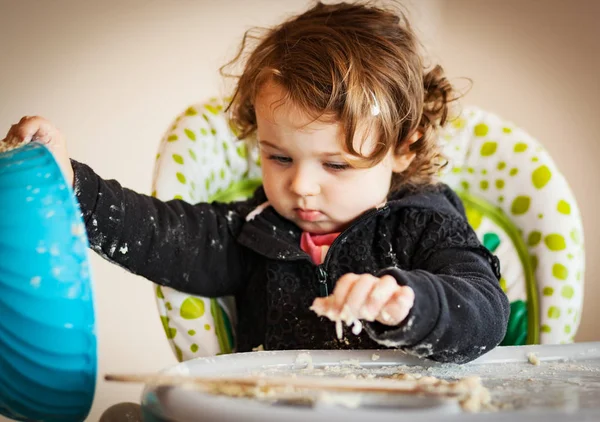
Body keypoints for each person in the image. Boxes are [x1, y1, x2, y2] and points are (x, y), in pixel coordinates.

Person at [2, 1, 508, 366]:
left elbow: (484, 310)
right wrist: (66, 182)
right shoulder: (253, 230)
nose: (302, 187)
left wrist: (410, 302)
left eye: (336, 165)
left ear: (405, 148)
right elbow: (157, 233)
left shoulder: (426, 225)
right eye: (279, 156)